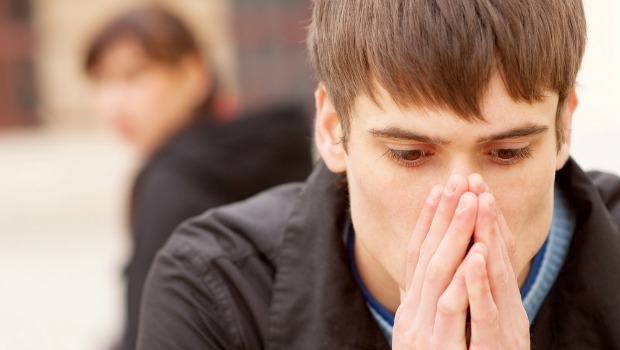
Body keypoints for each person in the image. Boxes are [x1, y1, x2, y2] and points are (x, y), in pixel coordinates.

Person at [138, 0, 620, 349]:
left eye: (509, 152)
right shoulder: (216, 292)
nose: (464, 201)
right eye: (410, 154)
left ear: (563, 129)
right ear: (331, 130)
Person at [83, 5, 313, 350]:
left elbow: (147, 330)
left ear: (193, 76)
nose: (112, 102)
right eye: (101, 80)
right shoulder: (269, 151)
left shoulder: (170, 181)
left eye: (133, 77)